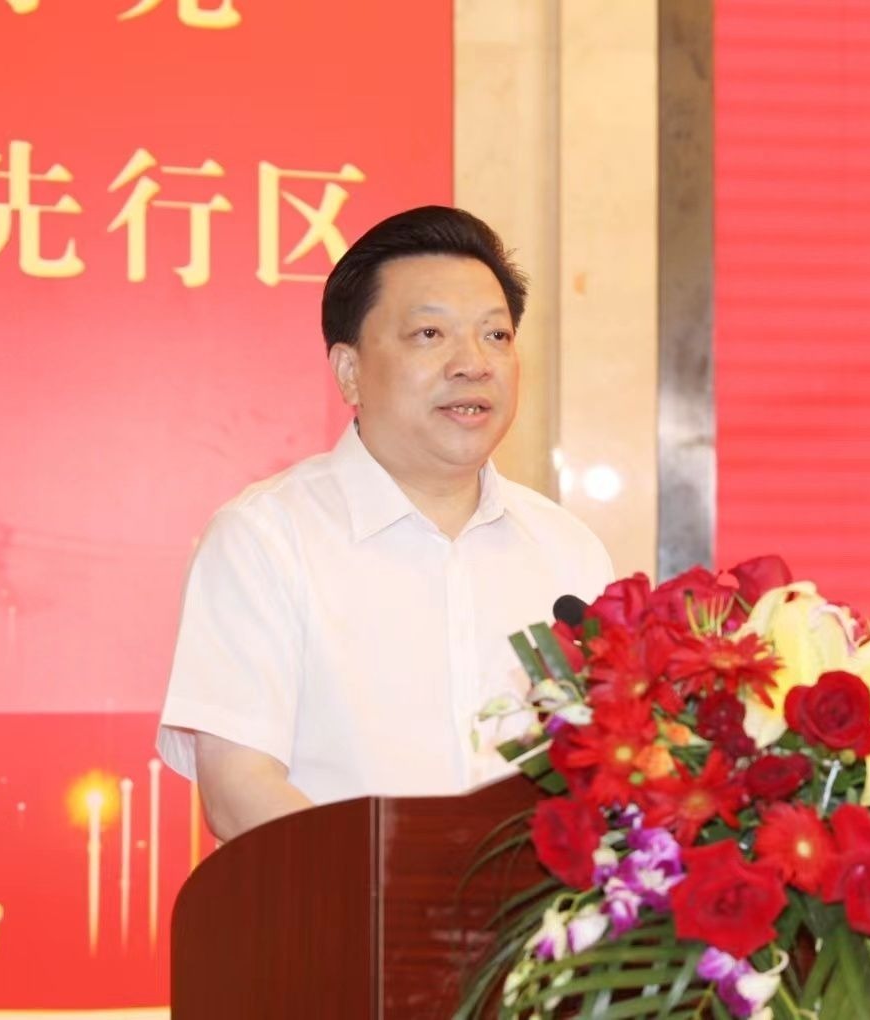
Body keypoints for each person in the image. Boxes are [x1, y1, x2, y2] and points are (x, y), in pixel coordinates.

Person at [156, 206, 615, 841]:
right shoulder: (265, 539)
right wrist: (394, 888)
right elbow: (238, 789)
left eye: (496, 335)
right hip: (339, 904)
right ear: (350, 372)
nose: (473, 363)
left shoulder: (568, 550)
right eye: (430, 334)